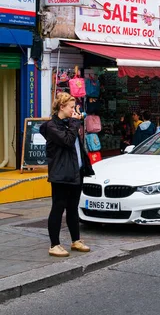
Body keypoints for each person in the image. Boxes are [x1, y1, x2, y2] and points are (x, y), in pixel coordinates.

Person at [40, 93, 94, 257]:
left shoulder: (69, 123)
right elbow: (67, 141)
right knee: (58, 208)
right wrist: (74, 123)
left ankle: (75, 240)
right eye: (71, 107)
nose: (74, 110)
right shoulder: (52, 126)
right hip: (61, 174)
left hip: (76, 172)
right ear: (62, 107)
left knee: (73, 208)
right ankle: (54, 244)